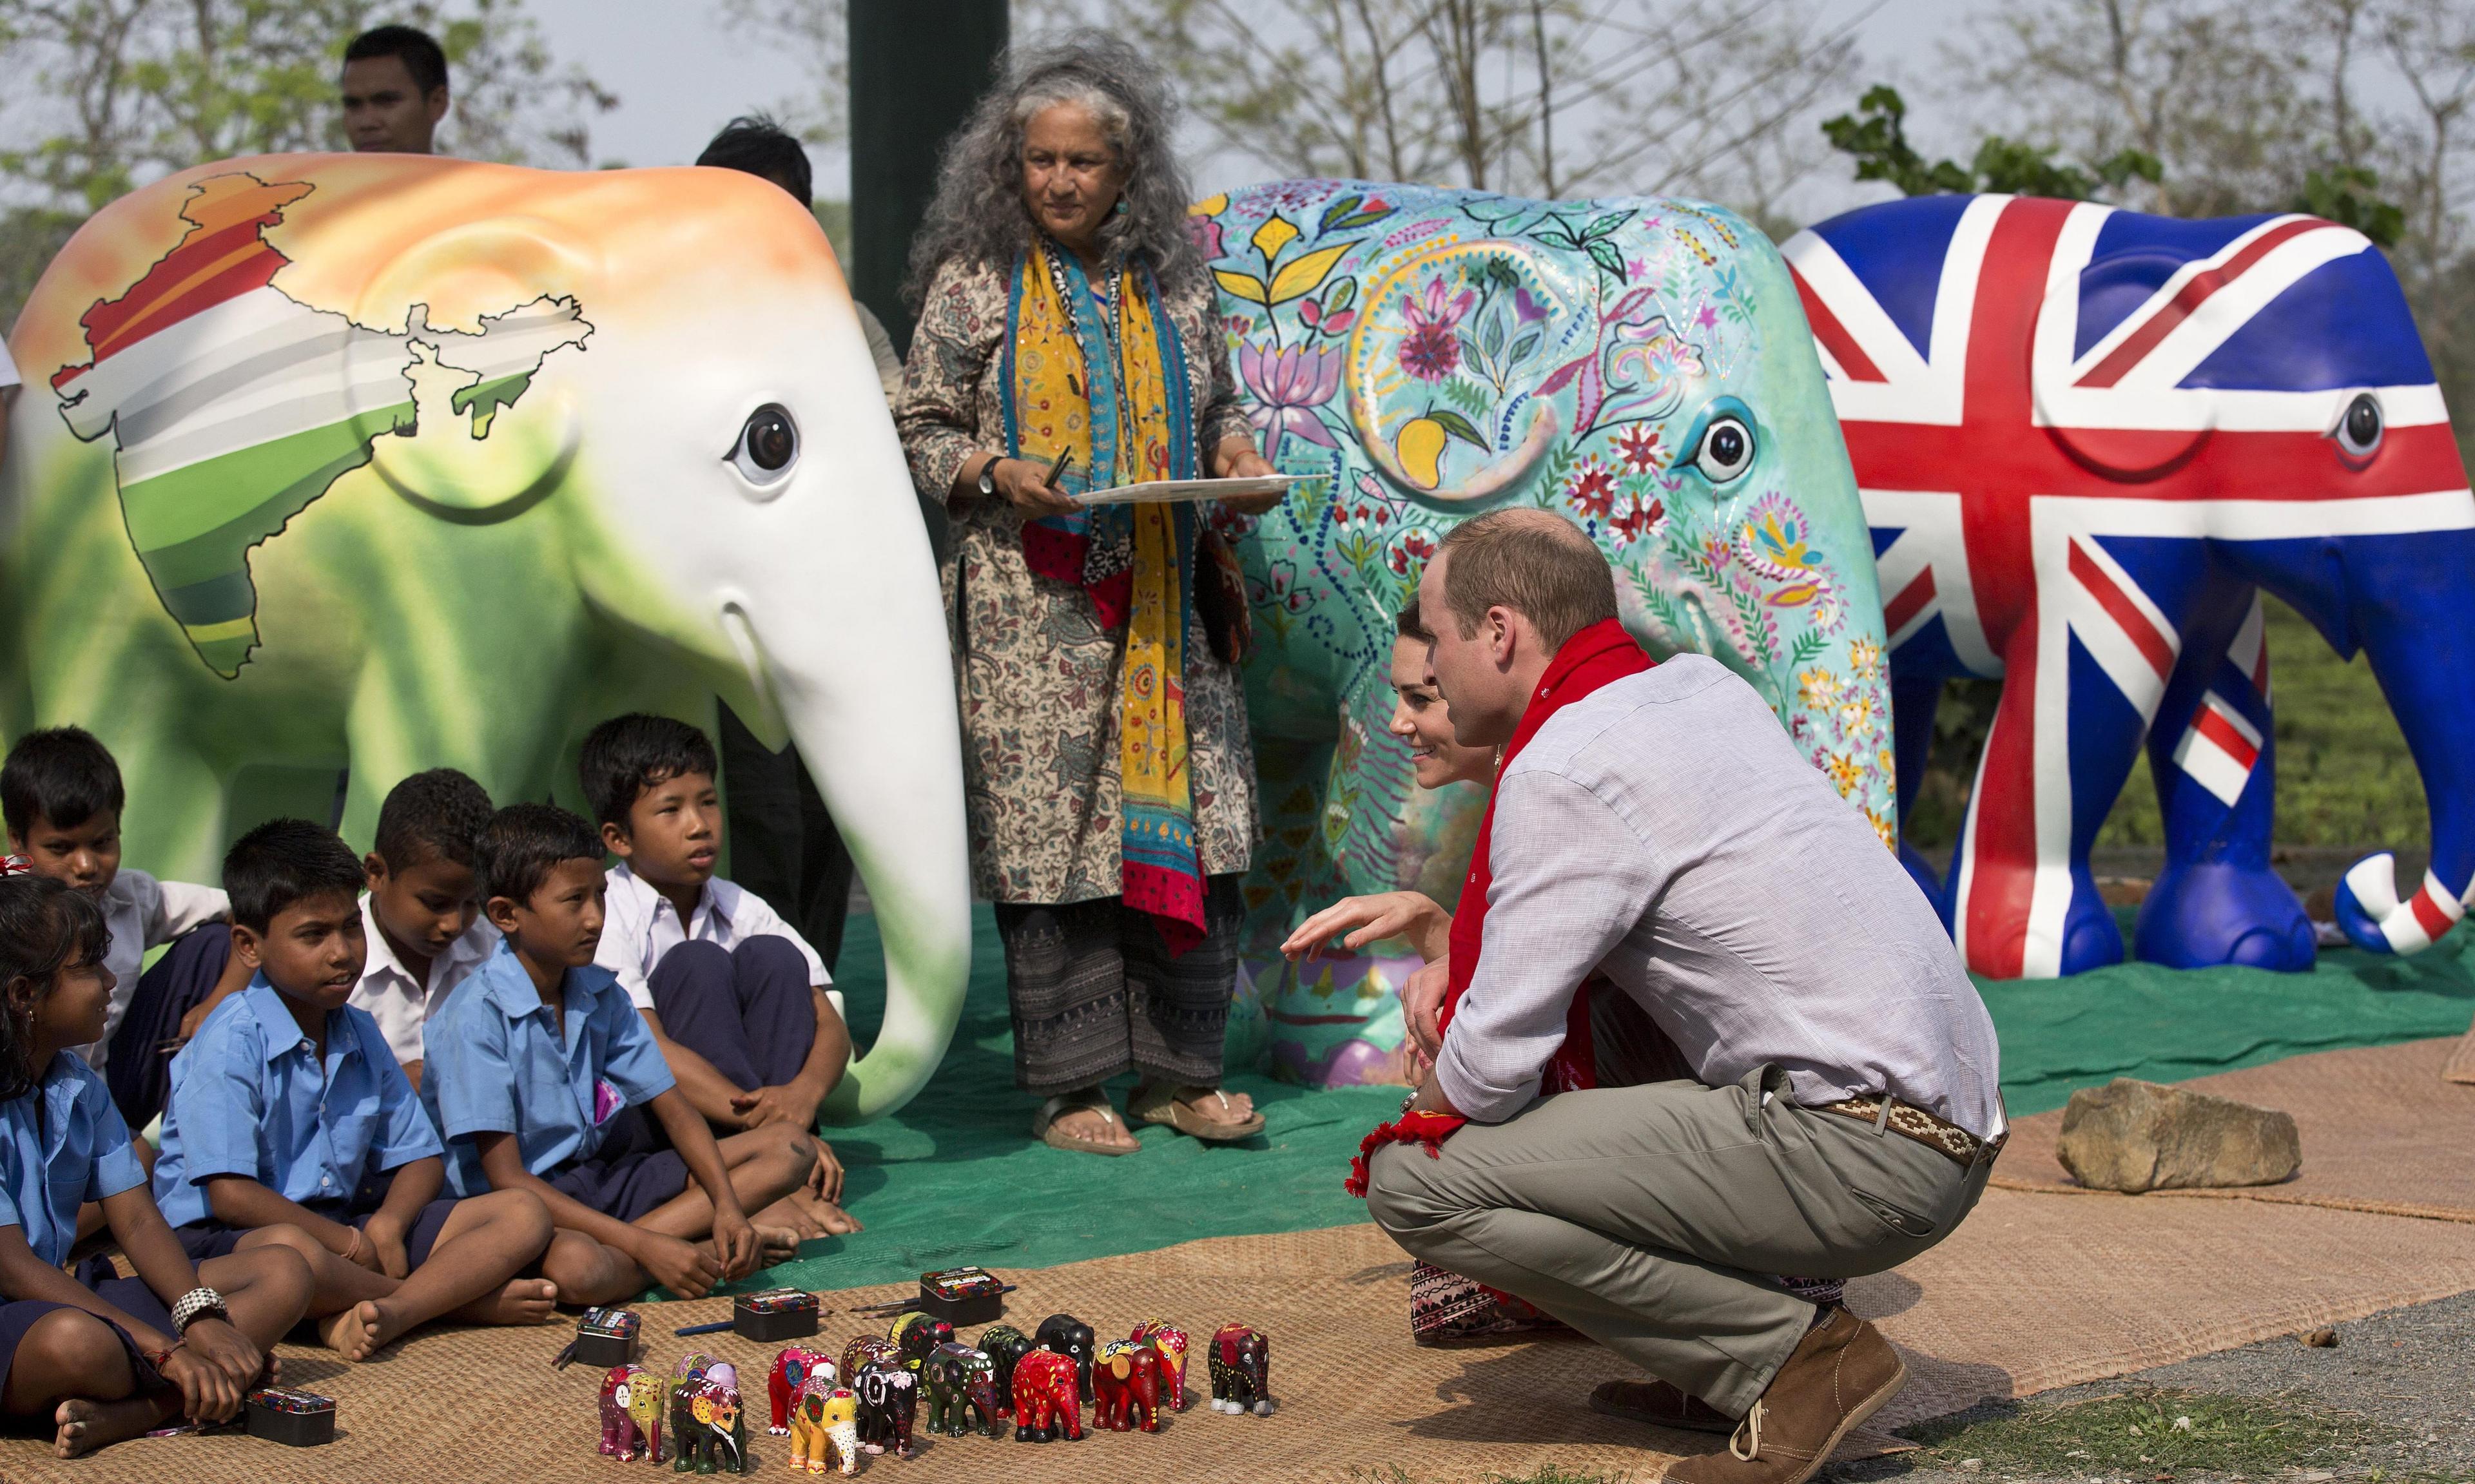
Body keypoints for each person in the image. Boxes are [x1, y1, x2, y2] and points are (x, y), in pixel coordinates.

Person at [1360, 509, 2004, 1484]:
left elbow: (1487, 1075)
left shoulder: (1563, 768)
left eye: (1440, 640)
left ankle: (1793, 1360)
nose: (1433, 673)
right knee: (1615, 1017)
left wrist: (1428, 1090)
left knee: (1416, 1177)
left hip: (1864, 1152)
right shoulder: (1697, 688)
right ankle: (1728, 1369)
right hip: (1936, 1128)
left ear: (1500, 633)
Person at [895, 33, 1279, 1155]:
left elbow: (1219, 413)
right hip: (1032, 613)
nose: (1059, 181)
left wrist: (1242, 461)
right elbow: (921, 426)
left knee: (1196, 820)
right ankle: (1070, 1091)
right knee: (1052, 836)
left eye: (1084, 163)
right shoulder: (975, 285)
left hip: (1170, 606)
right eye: (1040, 160)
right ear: (1008, 166)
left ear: (1130, 173)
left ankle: (1179, 1076)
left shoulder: (1180, 284)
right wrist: (996, 472)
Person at [150, 820, 559, 1362]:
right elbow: (231, 1195)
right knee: (295, 1256)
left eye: (350, 927)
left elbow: (421, 1158)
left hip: (342, 1224)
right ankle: (450, 1303)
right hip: (230, 1242)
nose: (342, 952)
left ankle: (387, 1309)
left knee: (522, 1212)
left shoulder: (358, 1028)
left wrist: (387, 1225)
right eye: (313, 935)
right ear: (249, 945)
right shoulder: (229, 1039)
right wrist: (346, 1244)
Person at [423, 803, 815, 1306]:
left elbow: (676, 1109)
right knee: (579, 1270)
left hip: (599, 1181)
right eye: (574, 901)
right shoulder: (473, 1017)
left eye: (600, 896)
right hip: (521, 1209)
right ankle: (677, 1253)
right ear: (506, 913)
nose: (595, 918)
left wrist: (727, 1207)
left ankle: (665, 1253)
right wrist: (644, 1243)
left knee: (789, 1146)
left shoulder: (599, 991)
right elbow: (508, 1180)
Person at [0, 873, 312, 1458]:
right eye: (90, 967)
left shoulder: (78, 1085)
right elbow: (14, 1269)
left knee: (284, 1273)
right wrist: (162, 1347)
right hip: (26, 1316)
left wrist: (197, 1321)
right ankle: (194, 1387)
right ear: (24, 994)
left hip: (56, 1298)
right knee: (79, 1344)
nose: (111, 981)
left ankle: (144, 1409)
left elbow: (139, 1221)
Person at [691, 113, 877, 975]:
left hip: (832, 621)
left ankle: (818, 1004)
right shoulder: (672, 329)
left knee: (831, 813)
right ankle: (761, 1012)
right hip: (721, 625)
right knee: (755, 818)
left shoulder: (846, 323)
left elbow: (891, 449)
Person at [579, 715, 856, 1238]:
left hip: (766, 1121)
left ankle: (777, 1168)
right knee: (695, 963)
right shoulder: (608, 911)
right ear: (618, 837)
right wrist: (773, 1128)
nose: (699, 824)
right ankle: (764, 1177)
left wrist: (802, 1096)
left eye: (707, 801)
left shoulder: (739, 905)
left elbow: (830, 1025)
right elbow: (649, 1050)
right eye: (671, 809)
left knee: (775, 957)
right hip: (664, 1123)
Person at [0, 728, 246, 1132]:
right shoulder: (7, 915)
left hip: (101, 1090)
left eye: (101, 842)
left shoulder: (132, 897)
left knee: (217, 945)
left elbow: (243, 911)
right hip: (18, 1097)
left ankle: (194, 1147)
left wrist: (219, 999)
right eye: (61, 848)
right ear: (17, 841)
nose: (86, 865)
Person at [340, 24, 449, 155]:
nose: (366, 123)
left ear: (437, 103)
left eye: (386, 101)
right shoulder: (317, 175)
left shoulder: (475, 175)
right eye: (353, 105)